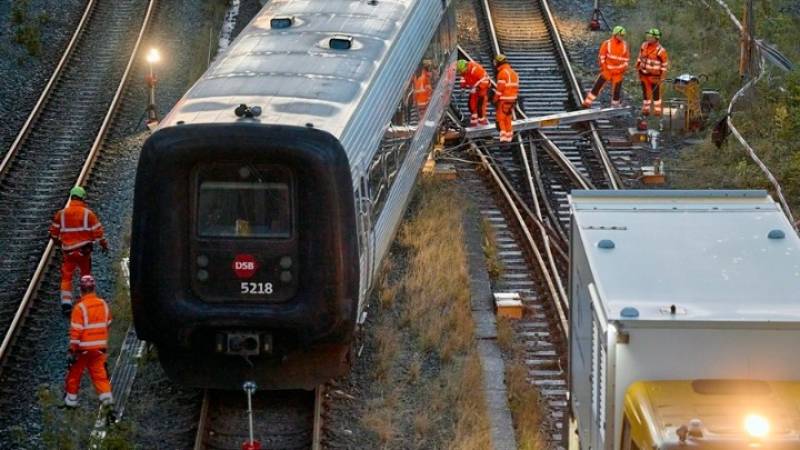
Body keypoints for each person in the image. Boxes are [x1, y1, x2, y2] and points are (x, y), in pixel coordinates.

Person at [49, 186, 108, 315]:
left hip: (68, 252)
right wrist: (104, 245)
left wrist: (59, 243)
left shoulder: (61, 214)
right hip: (84, 251)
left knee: (66, 277)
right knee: (85, 274)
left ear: (71, 197)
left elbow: (53, 233)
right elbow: (98, 233)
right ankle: (85, 301)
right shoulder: (88, 214)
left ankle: (66, 304)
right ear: (83, 198)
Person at [64, 275, 115, 422]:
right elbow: (108, 322)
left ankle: (71, 404)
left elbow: (76, 333)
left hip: (82, 351)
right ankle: (108, 407)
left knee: (74, 375)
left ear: (80, 290)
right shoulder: (103, 304)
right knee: (101, 378)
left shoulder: (79, 308)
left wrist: (72, 350)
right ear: (94, 288)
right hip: (99, 350)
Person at [582, 26, 630, 108]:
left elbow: (626, 60)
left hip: (618, 72)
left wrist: (621, 69)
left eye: (623, 35)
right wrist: (604, 68)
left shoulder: (625, 45)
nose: (622, 37)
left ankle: (615, 105)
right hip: (607, 70)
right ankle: (588, 102)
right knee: (598, 86)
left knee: (617, 90)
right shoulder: (607, 43)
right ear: (615, 34)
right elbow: (602, 57)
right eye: (620, 35)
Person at [636, 28, 669, 116]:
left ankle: (657, 111)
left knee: (656, 94)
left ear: (656, 38)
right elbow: (640, 58)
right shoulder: (644, 45)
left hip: (655, 76)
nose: (648, 38)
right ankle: (646, 110)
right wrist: (638, 69)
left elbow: (664, 66)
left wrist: (662, 78)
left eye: (650, 37)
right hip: (643, 74)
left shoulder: (661, 50)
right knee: (645, 93)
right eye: (648, 36)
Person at [456, 59, 490, 126]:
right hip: (474, 87)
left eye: (461, 71)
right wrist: (463, 87)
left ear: (465, 67)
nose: (460, 73)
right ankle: (475, 122)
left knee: (480, 106)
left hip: (483, 88)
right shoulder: (464, 71)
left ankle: (483, 122)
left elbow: (485, 80)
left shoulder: (476, 69)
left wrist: (477, 88)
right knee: (471, 105)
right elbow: (463, 78)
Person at [493, 54, 519, 143]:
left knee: (500, 119)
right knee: (508, 118)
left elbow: (499, 89)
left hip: (504, 99)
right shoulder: (514, 73)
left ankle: (504, 139)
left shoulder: (502, 73)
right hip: (512, 99)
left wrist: (495, 99)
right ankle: (509, 138)